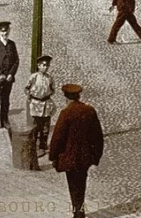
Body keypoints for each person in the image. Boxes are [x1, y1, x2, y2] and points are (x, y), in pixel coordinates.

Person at [49, 84, 104, 218]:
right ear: (79, 96)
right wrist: (96, 155)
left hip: (70, 158)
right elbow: (98, 136)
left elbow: (58, 137)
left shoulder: (66, 113)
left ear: (66, 98)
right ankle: (80, 209)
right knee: (82, 182)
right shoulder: (90, 111)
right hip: (85, 157)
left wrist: (53, 156)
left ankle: (77, 211)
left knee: (73, 184)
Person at [25, 55, 56, 156]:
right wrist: (30, 96)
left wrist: (47, 95)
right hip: (36, 104)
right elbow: (26, 88)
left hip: (46, 105)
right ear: (39, 66)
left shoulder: (49, 78)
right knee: (36, 127)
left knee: (45, 128)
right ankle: (36, 146)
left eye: (47, 65)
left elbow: (52, 90)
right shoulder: (33, 77)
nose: (46, 67)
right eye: (44, 65)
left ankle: (43, 146)